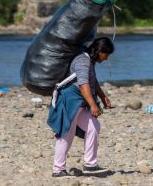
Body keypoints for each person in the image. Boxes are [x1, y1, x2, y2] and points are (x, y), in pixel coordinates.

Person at [48, 37, 115, 178]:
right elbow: (84, 85)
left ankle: (90, 165)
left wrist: (102, 97)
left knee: (93, 127)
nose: (106, 59)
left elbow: (92, 80)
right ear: (99, 51)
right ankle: (58, 169)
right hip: (70, 101)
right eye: (106, 55)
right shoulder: (82, 61)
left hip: (79, 102)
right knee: (66, 134)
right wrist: (93, 105)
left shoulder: (89, 62)